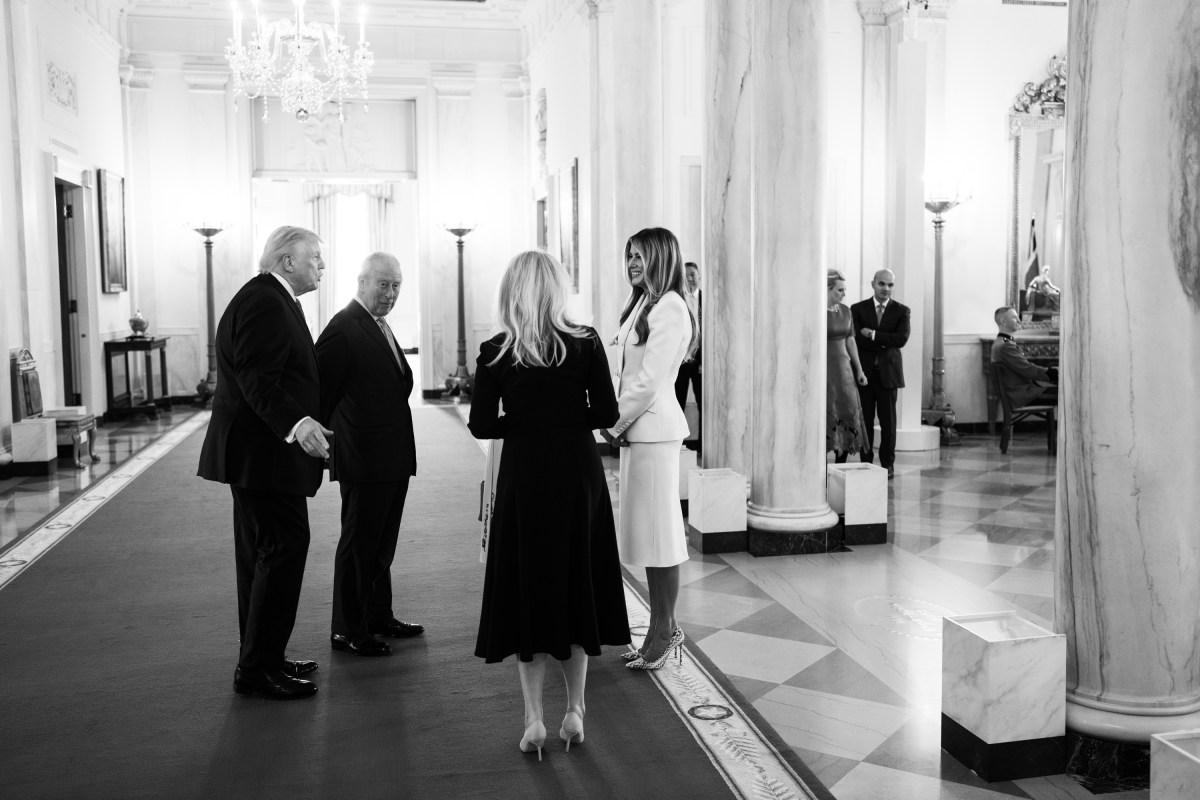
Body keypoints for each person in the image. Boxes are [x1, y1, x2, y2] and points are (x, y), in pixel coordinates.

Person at [468, 250, 630, 761]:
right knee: (574, 578)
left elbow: (480, 424)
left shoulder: (496, 350)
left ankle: (534, 718)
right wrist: (565, 413)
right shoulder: (585, 342)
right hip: (577, 474)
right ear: (559, 289)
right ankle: (576, 709)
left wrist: (521, 420)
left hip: (524, 476)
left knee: (528, 585)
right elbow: (606, 412)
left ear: (510, 292)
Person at [197, 225, 333, 700]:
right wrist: (299, 423)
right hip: (264, 455)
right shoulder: (263, 301)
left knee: (262, 555)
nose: (322, 265)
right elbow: (258, 378)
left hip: (259, 456)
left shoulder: (275, 299)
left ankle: (263, 656)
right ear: (287, 261)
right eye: (315, 257)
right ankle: (257, 668)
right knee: (283, 547)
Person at [315, 252, 423, 659]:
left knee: (381, 542)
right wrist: (330, 445)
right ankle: (347, 628)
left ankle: (379, 616)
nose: (391, 293)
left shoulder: (378, 324)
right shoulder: (344, 327)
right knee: (360, 544)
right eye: (383, 284)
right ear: (361, 282)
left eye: (396, 285)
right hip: (363, 455)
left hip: (390, 454)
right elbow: (320, 392)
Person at [606, 227, 698, 671]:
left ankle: (665, 628)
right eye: (629, 257)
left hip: (655, 431)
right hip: (637, 432)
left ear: (663, 258)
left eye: (640, 256)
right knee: (647, 535)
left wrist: (611, 424)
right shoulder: (643, 304)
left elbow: (648, 381)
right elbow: (624, 372)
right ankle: (661, 624)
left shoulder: (672, 307)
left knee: (662, 535)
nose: (632, 264)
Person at [851, 268, 910, 479]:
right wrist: (885, 338)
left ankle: (888, 464)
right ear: (873, 284)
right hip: (864, 373)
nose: (886, 288)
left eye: (890, 285)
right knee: (864, 421)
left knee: (889, 423)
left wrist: (873, 334)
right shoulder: (857, 309)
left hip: (889, 373)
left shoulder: (902, 311)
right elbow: (856, 338)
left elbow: (901, 339)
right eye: (882, 284)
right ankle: (865, 462)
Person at [826, 270, 869, 462]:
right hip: (825, 369)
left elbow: (851, 341)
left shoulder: (846, 311)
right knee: (828, 410)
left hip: (845, 370)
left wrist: (859, 370)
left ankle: (840, 462)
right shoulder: (816, 311)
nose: (844, 294)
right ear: (828, 290)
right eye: (840, 290)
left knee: (846, 409)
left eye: (844, 290)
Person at [992, 306, 1058, 404]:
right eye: (1014, 317)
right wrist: (1052, 373)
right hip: (1023, 394)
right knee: (1066, 393)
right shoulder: (1005, 346)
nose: (1019, 320)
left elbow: (1024, 367)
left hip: (1022, 390)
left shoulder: (1002, 342)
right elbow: (1027, 369)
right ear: (1004, 322)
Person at [674, 261, 702, 452]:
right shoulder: (678, 301)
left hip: (701, 363)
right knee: (677, 402)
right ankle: (677, 444)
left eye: (692, 274)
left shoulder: (708, 300)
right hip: (682, 362)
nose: (689, 278)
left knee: (703, 404)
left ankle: (703, 445)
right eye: (686, 275)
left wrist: (705, 361)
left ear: (699, 276)